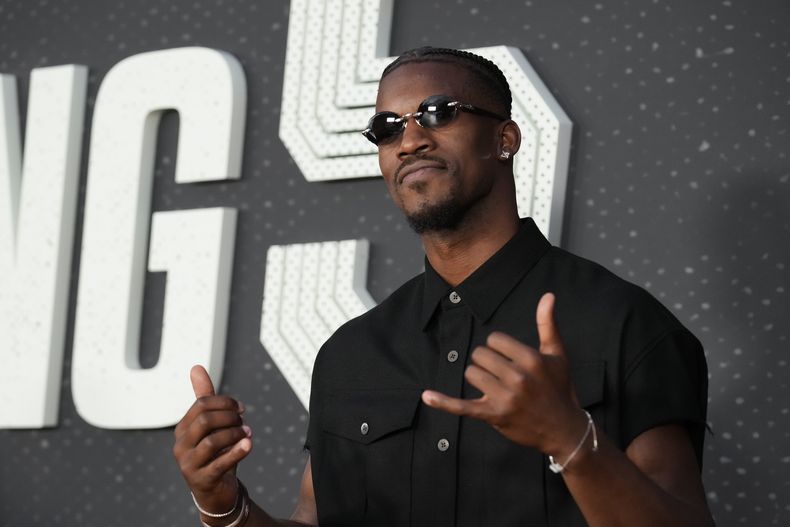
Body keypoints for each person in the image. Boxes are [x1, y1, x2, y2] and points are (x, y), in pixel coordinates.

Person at [173, 47, 713, 527]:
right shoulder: (351, 353)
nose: (409, 140)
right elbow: (313, 517)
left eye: (437, 113)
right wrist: (223, 505)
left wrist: (572, 440)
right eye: (387, 127)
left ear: (505, 138)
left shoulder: (621, 323)